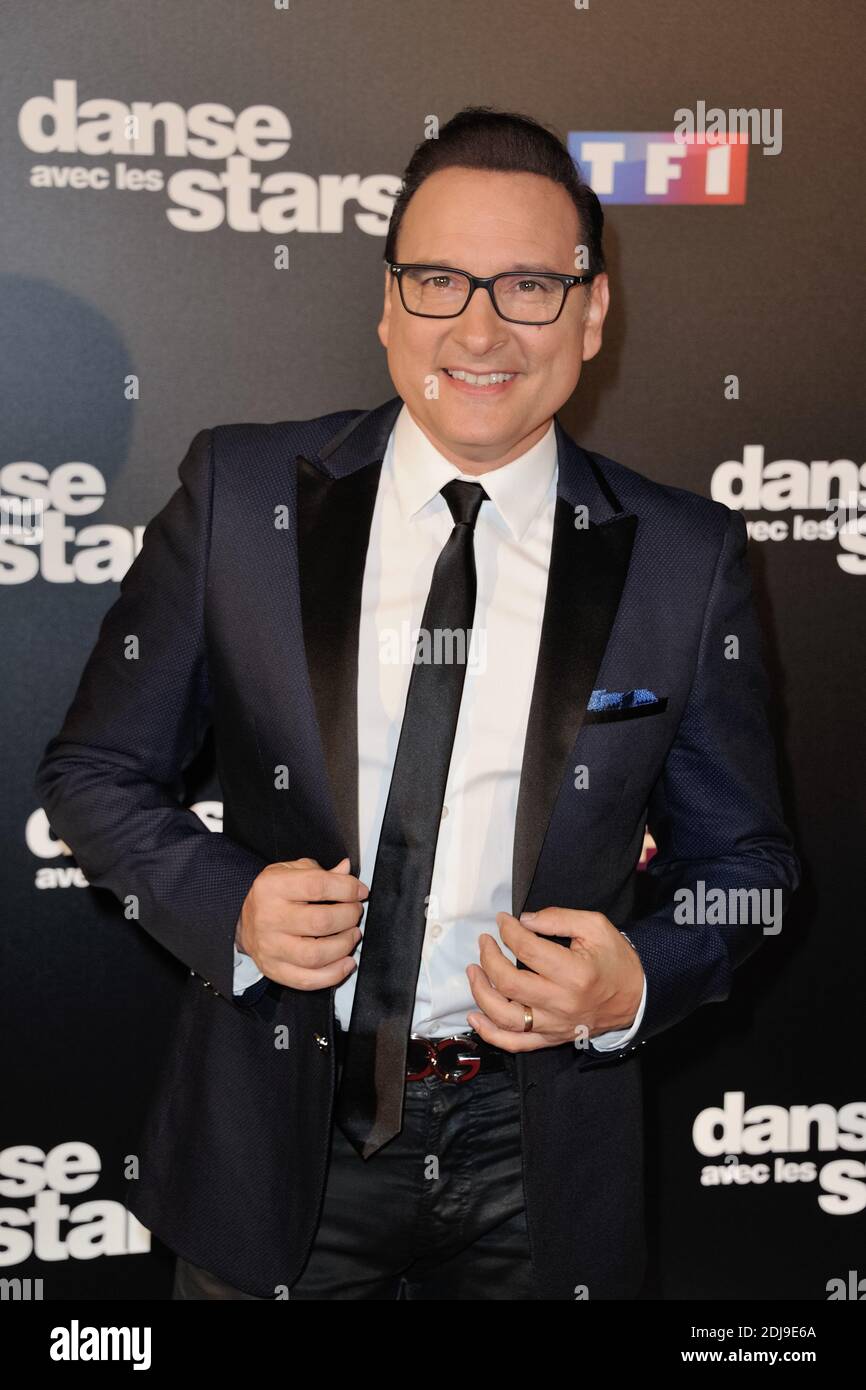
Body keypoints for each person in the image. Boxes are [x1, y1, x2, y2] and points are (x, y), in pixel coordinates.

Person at [35, 106, 800, 1301]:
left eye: (530, 286)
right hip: (278, 1139)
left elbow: (750, 861)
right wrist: (230, 905)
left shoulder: (684, 557)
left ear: (593, 312)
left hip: (537, 1158)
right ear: (387, 303)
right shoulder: (242, 494)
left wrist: (635, 980)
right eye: (439, 280)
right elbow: (92, 773)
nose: (479, 327)